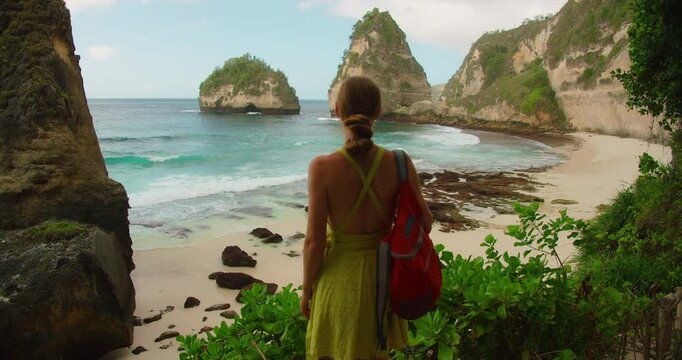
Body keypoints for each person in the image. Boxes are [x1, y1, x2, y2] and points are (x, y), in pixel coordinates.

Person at [301, 76, 433, 359]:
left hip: (338, 283)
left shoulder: (321, 167)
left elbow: (314, 243)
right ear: (379, 113)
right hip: (384, 280)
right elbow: (424, 223)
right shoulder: (399, 162)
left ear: (337, 110)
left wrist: (306, 290)